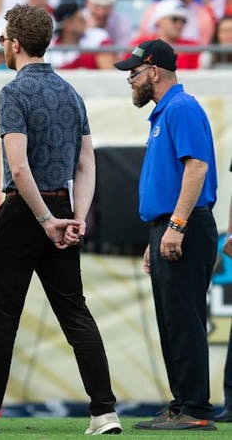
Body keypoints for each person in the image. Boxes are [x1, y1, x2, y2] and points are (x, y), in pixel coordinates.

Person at [0, 4, 120, 436]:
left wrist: (45, 219)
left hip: (24, 212)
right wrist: (75, 218)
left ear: (14, 43)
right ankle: (104, 413)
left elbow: (18, 168)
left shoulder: (13, 92)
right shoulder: (71, 92)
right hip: (63, 208)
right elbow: (86, 163)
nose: (1, 46)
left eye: (2, 39)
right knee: (76, 315)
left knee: (1, 317)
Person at [110, 40, 220, 430]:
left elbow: (197, 168)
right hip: (170, 227)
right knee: (173, 320)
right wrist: (157, 233)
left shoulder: (181, 108)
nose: (130, 81)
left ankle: (194, 409)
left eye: (134, 73)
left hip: (184, 227)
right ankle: (182, 405)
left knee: (185, 319)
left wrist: (175, 226)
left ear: (154, 71)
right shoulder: (166, 112)